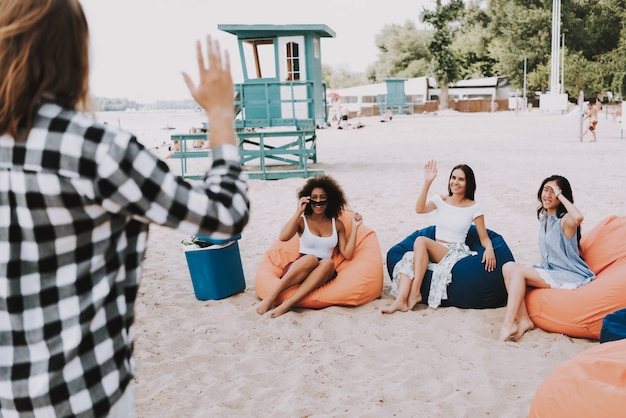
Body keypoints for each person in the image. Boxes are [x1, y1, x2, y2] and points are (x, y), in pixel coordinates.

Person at [0, 1, 249, 416]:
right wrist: (221, 114)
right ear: (74, 54)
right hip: (85, 395)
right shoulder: (99, 152)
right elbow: (225, 215)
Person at [382, 160, 496, 314]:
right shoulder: (441, 200)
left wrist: (489, 248)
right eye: (453, 177)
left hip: (455, 251)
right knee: (408, 257)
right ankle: (400, 300)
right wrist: (427, 182)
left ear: (468, 183)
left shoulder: (474, 207)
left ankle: (415, 292)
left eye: (461, 179)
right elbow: (419, 209)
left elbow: (484, 238)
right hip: (435, 248)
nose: (455, 182)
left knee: (420, 241)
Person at [498, 176, 594, 342]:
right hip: (549, 270)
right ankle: (524, 320)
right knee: (508, 266)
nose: (548, 195)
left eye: (553, 192)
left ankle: (508, 324)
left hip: (567, 274)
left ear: (561, 196)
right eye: (545, 190)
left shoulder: (565, 221)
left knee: (519, 273)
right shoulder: (544, 219)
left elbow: (578, 217)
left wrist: (561, 195)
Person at [256, 175, 363, 318]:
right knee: (311, 258)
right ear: (308, 199)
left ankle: (288, 304)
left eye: (322, 197)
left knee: (327, 262)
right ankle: (271, 296)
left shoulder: (337, 224)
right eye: (314, 197)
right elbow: (283, 237)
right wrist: (299, 211)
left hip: (322, 272)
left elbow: (347, 254)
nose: (318, 201)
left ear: (329, 200)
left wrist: (355, 228)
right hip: (300, 267)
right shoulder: (302, 221)